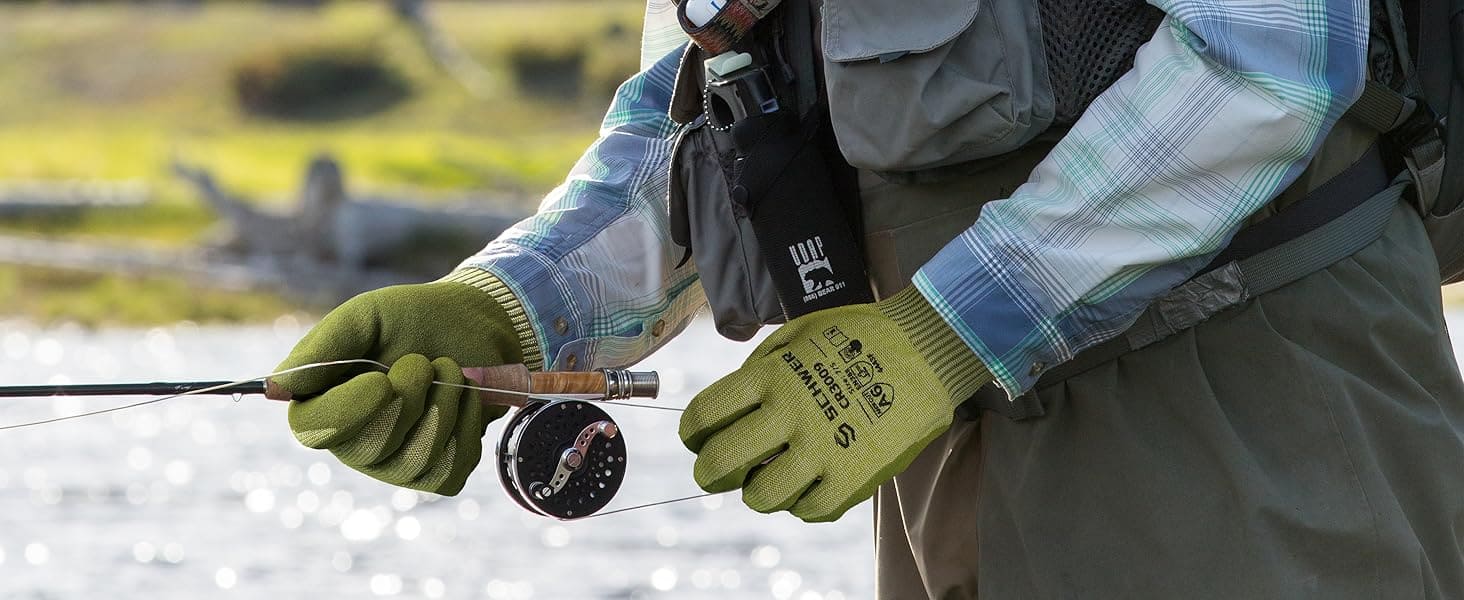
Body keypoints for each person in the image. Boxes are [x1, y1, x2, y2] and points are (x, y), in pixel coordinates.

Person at [272, 0, 1464, 597]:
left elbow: (1276, 54)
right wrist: (509, 313)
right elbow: (687, 116)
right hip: (938, 453)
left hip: (1261, 424)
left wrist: (946, 332)